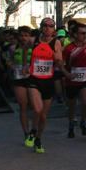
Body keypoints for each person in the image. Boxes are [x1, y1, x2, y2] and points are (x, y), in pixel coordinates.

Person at [26, 17, 64, 154]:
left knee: (43, 115)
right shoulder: (33, 40)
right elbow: (24, 49)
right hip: (34, 79)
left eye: (51, 26)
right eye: (45, 25)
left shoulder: (56, 43)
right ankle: (33, 130)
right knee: (37, 109)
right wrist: (25, 64)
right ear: (41, 27)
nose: (48, 28)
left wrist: (57, 60)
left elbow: (60, 61)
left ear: (54, 29)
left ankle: (38, 138)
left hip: (48, 81)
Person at [62, 24, 86, 138]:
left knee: (85, 101)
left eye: (85, 33)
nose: (84, 35)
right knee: (72, 106)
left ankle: (82, 122)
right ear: (75, 34)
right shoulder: (68, 49)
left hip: (85, 79)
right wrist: (67, 74)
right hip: (71, 80)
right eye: (82, 33)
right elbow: (62, 65)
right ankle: (71, 125)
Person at [9, 26, 34, 146]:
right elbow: (9, 60)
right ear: (18, 36)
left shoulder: (34, 47)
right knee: (23, 106)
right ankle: (26, 133)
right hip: (19, 79)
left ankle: (34, 130)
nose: (24, 38)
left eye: (26, 35)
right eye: (22, 35)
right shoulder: (13, 48)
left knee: (34, 106)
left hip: (32, 78)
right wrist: (12, 66)